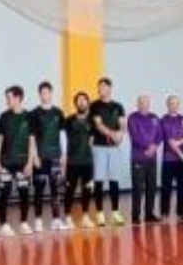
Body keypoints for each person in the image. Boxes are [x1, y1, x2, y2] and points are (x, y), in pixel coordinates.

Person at [0, 86, 35, 236]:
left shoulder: (29, 117)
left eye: (9, 97)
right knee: (4, 193)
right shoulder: (3, 117)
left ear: (18, 98)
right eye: (6, 98)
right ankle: (3, 225)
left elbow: (32, 142)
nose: (7, 101)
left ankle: (23, 223)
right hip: (5, 162)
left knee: (24, 193)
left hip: (23, 163)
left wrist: (30, 162)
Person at [28, 82, 67, 232]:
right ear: (39, 95)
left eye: (47, 92)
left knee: (55, 189)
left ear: (51, 93)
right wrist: (34, 156)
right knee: (39, 189)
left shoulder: (58, 113)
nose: (45, 95)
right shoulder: (34, 114)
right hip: (40, 157)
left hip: (55, 156)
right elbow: (31, 137)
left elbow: (62, 135)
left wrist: (63, 154)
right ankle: (38, 221)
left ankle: (56, 220)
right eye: (42, 92)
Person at [90, 78, 127, 225]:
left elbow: (122, 124)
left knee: (114, 180)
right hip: (99, 147)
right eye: (99, 87)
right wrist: (113, 135)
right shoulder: (95, 105)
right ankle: (99, 213)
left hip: (114, 148)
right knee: (98, 181)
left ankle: (116, 212)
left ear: (110, 88)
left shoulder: (118, 106)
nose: (101, 89)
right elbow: (98, 125)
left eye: (104, 87)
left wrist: (120, 136)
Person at [126, 95, 163, 223]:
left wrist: (154, 146)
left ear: (149, 104)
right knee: (137, 188)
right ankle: (135, 215)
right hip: (138, 158)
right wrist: (148, 147)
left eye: (146, 102)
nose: (144, 105)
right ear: (138, 104)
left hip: (152, 158)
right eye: (141, 102)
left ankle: (149, 214)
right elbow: (134, 135)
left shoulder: (155, 117)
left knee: (151, 187)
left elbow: (160, 134)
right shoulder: (132, 118)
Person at [64, 93, 97, 229]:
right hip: (72, 161)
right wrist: (64, 158)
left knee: (86, 190)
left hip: (87, 161)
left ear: (87, 103)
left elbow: (92, 140)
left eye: (84, 100)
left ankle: (85, 217)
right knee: (70, 190)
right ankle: (67, 217)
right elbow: (63, 140)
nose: (82, 102)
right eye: (79, 100)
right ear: (75, 103)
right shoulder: (68, 120)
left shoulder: (92, 121)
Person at [160, 95, 183, 220]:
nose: (174, 106)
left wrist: (179, 142)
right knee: (166, 187)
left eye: (176, 103)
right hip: (169, 159)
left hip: (182, 160)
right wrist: (181, 154)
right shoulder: (164, 120)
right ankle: (164, 212)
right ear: (167, 105)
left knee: (182, 186)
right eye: (171, 103)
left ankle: (181, 211)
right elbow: (170, 141)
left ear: (178, 105)